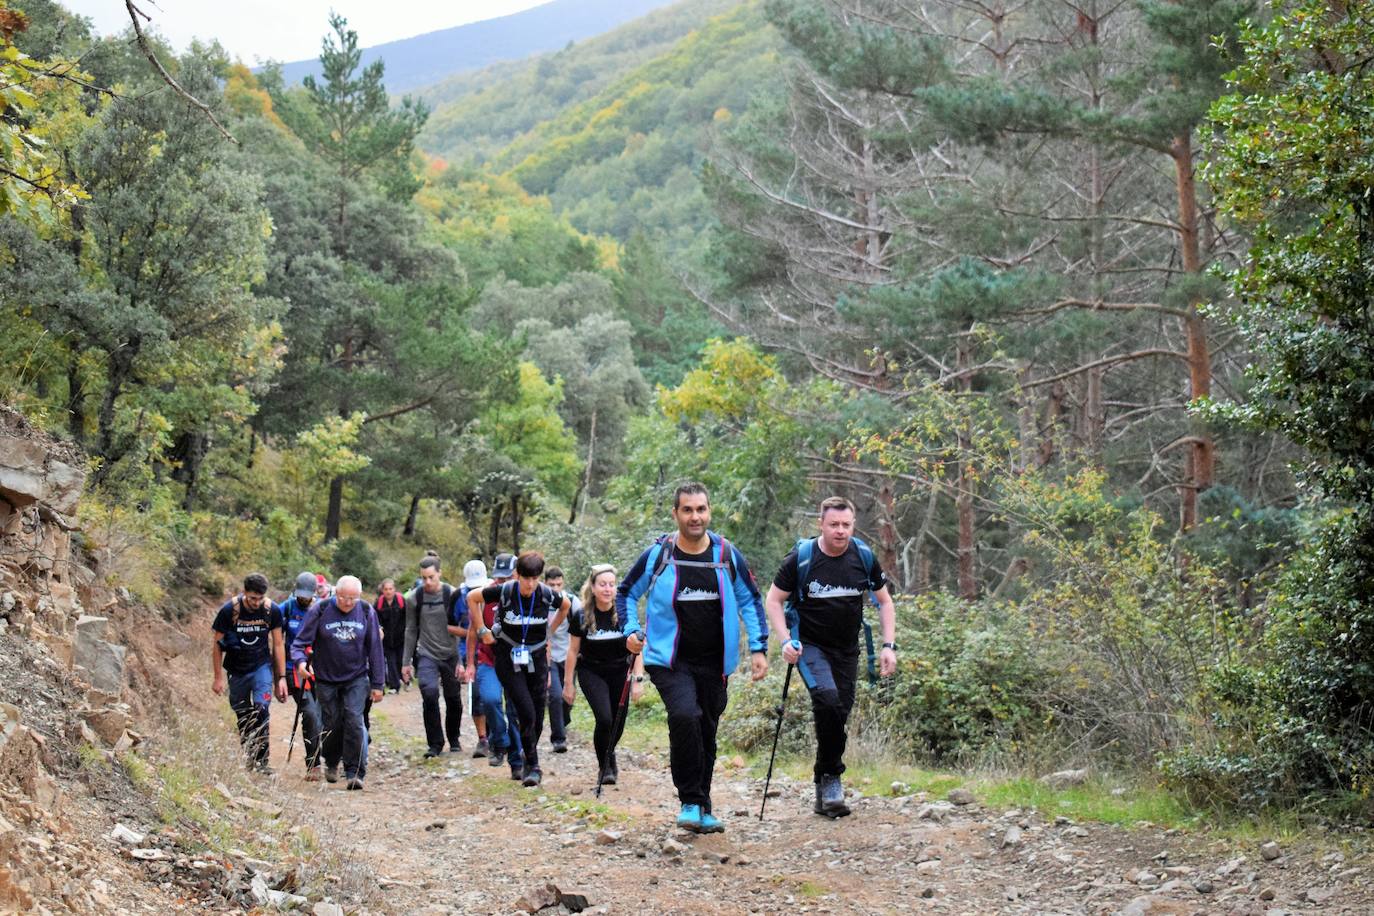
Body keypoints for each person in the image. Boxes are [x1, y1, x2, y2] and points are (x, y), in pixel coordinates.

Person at [617, 482, 768, 833]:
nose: (695, 516)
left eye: (701, 509)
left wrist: (758, 648)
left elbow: (750, 599)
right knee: (685, 715)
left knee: (707, 729)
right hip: (668, 658)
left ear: (709, 511)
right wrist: (630, 630)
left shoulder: (726, 554)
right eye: (688, 510)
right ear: (675, 514)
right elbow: (626, 592)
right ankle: (689, 800)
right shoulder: (660, 554)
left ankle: (703, 804)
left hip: (716, 661)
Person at [764, 496, 898, 818]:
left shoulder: (863, 557)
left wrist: (888, 646)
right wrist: (785, 641)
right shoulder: (802, 558)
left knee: (838, 713)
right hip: (809, 646)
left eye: (846, 525)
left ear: (853, 525)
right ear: (821, 525)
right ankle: (833, 778)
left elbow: (885, 602)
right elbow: (773, 600)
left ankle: (823, 780)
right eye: (834, 524)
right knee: (826, 699)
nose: (840, 531)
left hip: (847, 650)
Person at [466, 551, 570, 788]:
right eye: (526, 578)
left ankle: (527, 754)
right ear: (517, 575)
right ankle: (533, 767)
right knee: (525, 712)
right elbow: (473, 597)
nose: (530, 584)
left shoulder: (544, 594)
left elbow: (565, 605)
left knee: (537, 715)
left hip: (537, 658)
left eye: (535, 578)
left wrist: (549, 631)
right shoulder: (505, 591)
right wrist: (483, 630)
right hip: (507, 658)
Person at [290, 575, 384, 790]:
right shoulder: (320, 610)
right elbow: (299, 644)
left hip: (356, 677)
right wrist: (301, 663)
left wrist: (378, 684)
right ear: (335, 593)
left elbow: (375, 649)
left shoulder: (367, 611)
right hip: (325, 678)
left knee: (353, 718)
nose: (348, 603)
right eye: (343, 597)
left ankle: (355, 772)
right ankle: (332, 761)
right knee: (331, 723)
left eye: (353, 598)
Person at [563, 564, 644, 785]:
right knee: (605, 718)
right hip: (592, 671)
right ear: (593, 587)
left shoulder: (624, 614)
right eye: (602, 585)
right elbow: (572, 651)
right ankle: (605, 766)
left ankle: (609, 753)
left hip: (620, 670)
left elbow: (638, 647)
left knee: (618, 723)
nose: (607, 589)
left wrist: (638, 679)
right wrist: (568, 684)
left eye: (611, 584)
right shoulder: (582, 616)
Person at [212, 573, 288, 773]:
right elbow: (217, 645)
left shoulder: (272, 611)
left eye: (260, 598)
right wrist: (218, 677)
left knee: (262, 709)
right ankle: (249, 755)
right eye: (252, 598)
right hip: (236, 670)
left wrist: (281, 678)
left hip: (261, 668)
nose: (256, 602)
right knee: (243, 715)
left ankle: (262, 761)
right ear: (245, 592)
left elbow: (278, 644)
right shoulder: (229, 611)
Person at [464, 554, 525, 780]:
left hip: (517, 661)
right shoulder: (486, 595)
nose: (502, 583)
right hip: (489, 659)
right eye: (499, 578)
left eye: (507, 578)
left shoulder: (526, 594)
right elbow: (472, 631)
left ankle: (517, 762)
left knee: (514, 710)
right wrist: (470, 663)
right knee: (489, 699)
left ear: (517, 574)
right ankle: (499, 742)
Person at [403, 556, 465, 758]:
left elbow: (462, 629)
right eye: (423, 578)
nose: (427, 582)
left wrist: (462, 661)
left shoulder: (453, 594)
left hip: (451, 653)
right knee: (429, 693)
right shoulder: (414, 598)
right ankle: (435, 743)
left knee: (453, 698)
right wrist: (406, 662)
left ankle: (454, 738)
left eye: (431, 577)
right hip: (426, 653)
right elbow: (411, 629)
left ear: (439, 573)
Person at [279, 571, 325, 780]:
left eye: (307, 595)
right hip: (294, 668)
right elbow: (272, 630)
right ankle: (313, 764)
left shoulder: (322, 609)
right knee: (309, 713)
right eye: (301, 594)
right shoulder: (287, 608)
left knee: (324, 714)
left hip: (320, 668)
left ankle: (329, 755)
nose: (304, 599)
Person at [457, 560, 490, 758]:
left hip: (496, 653)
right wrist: (466, 661)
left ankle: (499, 735)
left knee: (496, 698)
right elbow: (457, 628)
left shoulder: (497, 593)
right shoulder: (458, 597)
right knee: (477, 697)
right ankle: (483, 738)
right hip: (473, 652)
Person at [543, 565, 576, 754]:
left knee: (568, 698)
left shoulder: (571, 601)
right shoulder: (539, 600)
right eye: (551, 584)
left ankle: (563, 721)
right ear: (545, 583)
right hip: (549, 656)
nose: (555, 588)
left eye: (558, 584)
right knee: (554, 695)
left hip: (569, 654)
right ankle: (558, 739)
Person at [375, 579, 407, 694]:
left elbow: (408, 617)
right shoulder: (379, 603)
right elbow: (375, 619)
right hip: (387, 639)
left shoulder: (401, 601)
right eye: (386, 589)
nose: (388, 592)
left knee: (400, 660)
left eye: (390, 589)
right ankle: (395, 686)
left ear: (394, 589)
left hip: (401, 638)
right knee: (391, 661)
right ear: (382, 590)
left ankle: (404, 679)